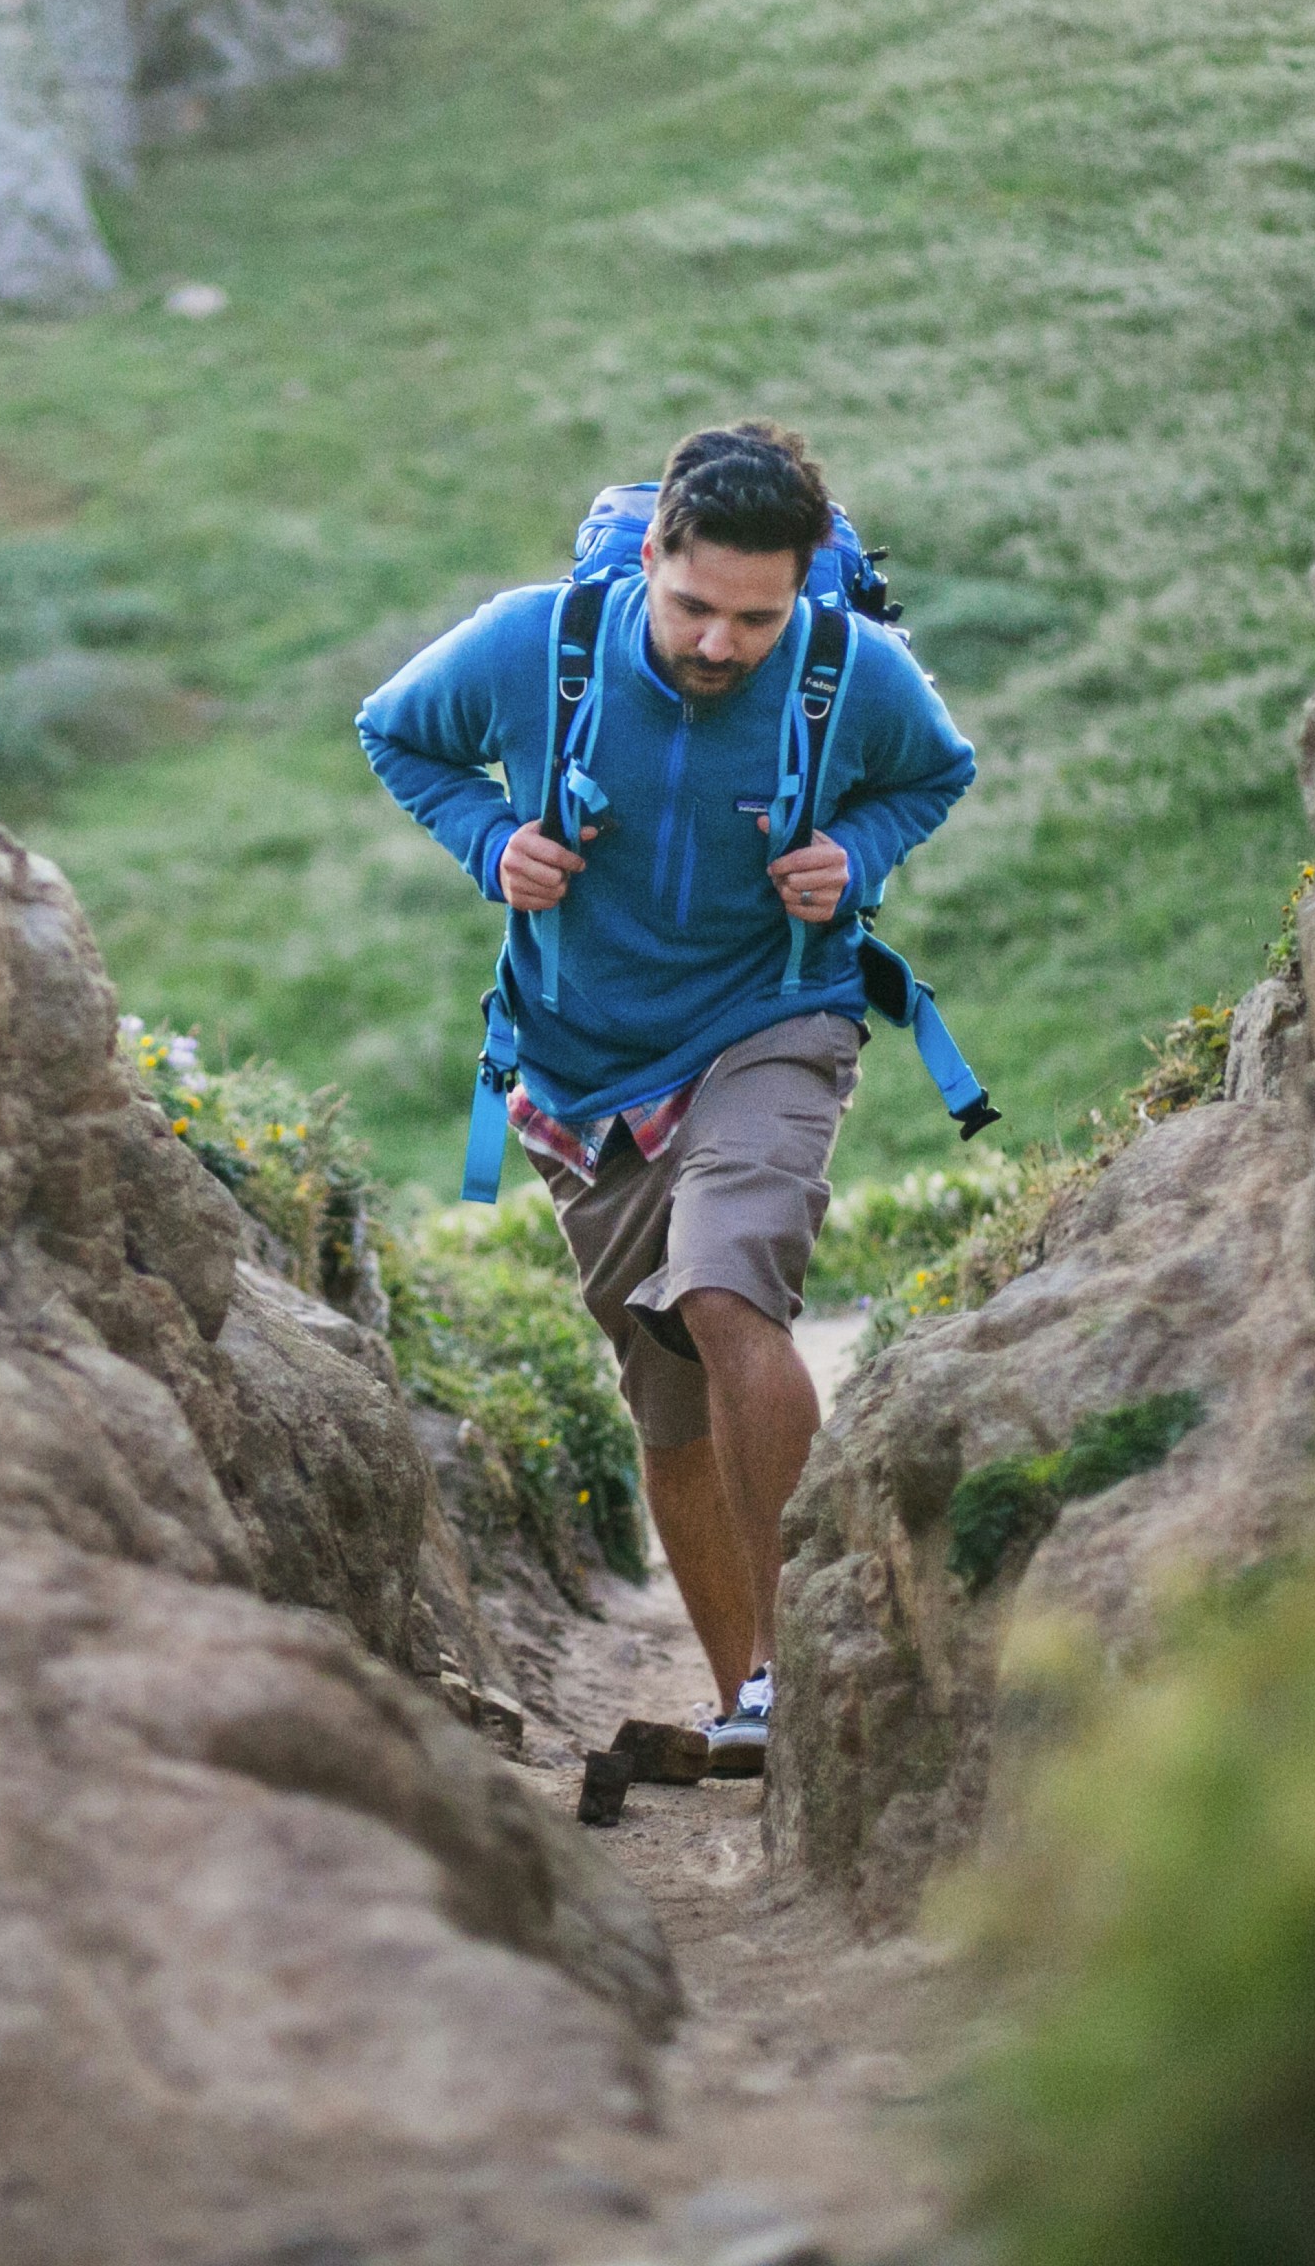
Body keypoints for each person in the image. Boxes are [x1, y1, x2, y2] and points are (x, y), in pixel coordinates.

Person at [356, 422, 975, 1772]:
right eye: (695, 606)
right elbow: (395, 732)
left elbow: (936, 769)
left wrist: (853, 854)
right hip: (586, 1066)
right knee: (669, 1403)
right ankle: (750, 1686)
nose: (718, 644)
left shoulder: (843, 665)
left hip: (774, 1014)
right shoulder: (537, 644)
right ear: (650, 559)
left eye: (755, 618)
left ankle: (825, 1655)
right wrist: (488, 840)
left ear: (802, 591)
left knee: (725, 1288)